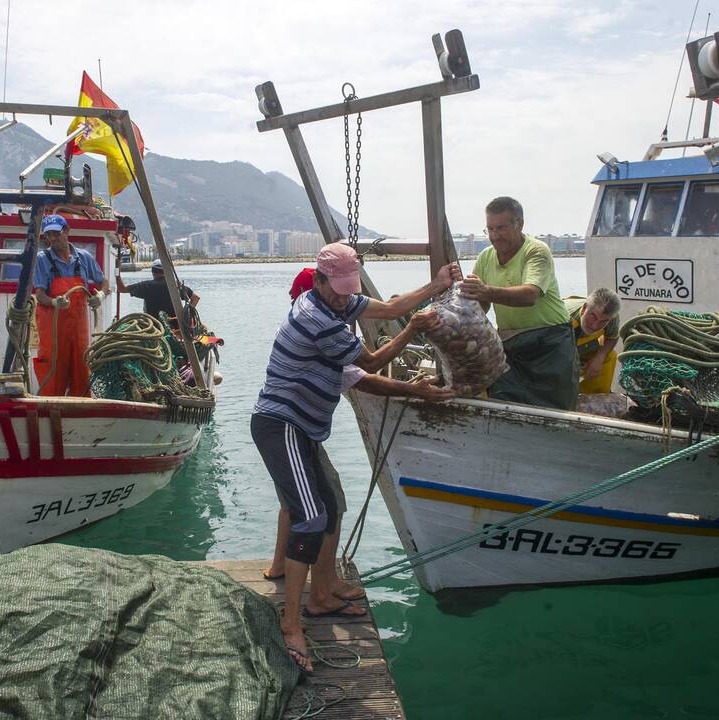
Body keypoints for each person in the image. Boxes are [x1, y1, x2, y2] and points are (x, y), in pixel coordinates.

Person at [252, 244, 460, 673]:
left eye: (351, 291)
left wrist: (435, 286)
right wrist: (413, 331)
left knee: (329, 507)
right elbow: (371, 361)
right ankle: (292, 623)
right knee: (311, 515)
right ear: (318, 281)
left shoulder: (340, 303)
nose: (345, 299)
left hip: (304, 428)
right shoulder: (316, 319)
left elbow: (386, 308)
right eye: (338, 291)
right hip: (280, 423)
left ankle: (321, 595)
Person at [459, 196, 579, 410]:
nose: (495, 236)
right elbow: (481, 304)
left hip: (550, 344)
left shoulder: (537, 251)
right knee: (504, 404)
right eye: (490, 229)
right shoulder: (486, 257)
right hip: (511, 344)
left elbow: (530, 295)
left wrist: (485, 291)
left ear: (519, 224)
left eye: (501, 228)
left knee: (556, 410)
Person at [32, 214, 107, 396]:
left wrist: (101, 295)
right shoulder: (42, 259)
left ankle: (81, 408)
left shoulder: (84, 257)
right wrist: (54, 302)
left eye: (56, 234)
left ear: (67, 231)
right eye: (48, 235)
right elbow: (39, 294)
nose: (52, 239)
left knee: (81, 371)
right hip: (54, 329)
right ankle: (50, 410)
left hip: (79, 329)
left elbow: (104, 282)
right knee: (53, 373)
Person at [566, 288, 622, 394]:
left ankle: (596, 398)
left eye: (603, 321)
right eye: (593, 316)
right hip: (557, 350)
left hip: (583, 347)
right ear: (584, 308)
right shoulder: (564, 318)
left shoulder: (612, 317)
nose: (595, 326)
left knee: (610, 356)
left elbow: (612, 337)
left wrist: (599, 358)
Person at [116, 259, 199, 322]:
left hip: (154, 328)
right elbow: (195, 298)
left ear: (153, 272)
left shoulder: (146, 286)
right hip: (176, 327)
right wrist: (185, 315)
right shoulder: (176, 286)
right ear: (167, 271)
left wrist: (117, 270)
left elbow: (121, 289)